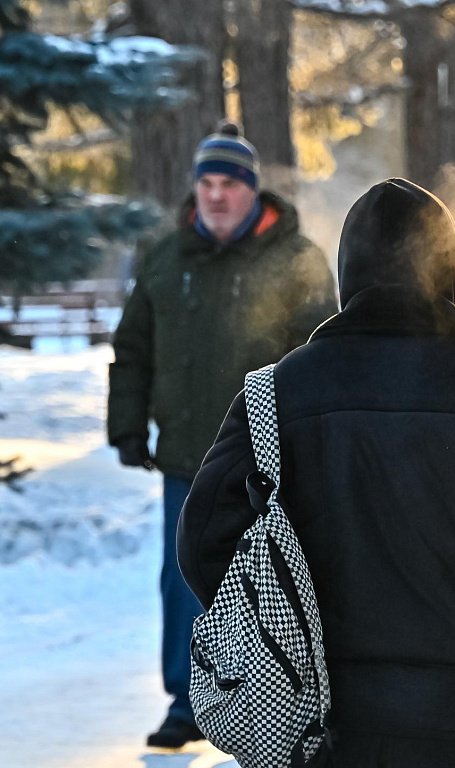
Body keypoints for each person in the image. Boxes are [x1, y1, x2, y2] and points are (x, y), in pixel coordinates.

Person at [178, 178, 455, 767]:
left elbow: (204, 543)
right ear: (449, 273)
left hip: (320, 727)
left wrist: (280, 642)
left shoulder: (276, 396)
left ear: (346, 275)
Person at [107, 122, 339, 749]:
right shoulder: (165, 257)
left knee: (280, 580)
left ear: (251, 191)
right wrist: (126, 423)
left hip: (273, 458)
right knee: (183, 577)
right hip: (188, 456)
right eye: (205, 183)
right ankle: (189, 703)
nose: (215, 196)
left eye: (228, 185)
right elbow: (132, 348)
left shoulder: (295, 258)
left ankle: (292, 695)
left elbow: (324, 353)